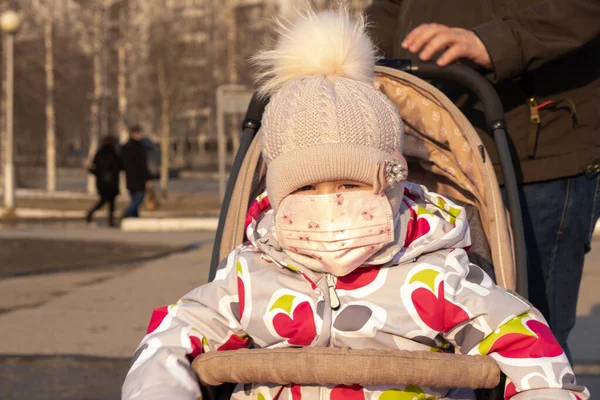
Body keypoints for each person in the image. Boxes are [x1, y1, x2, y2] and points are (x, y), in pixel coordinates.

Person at [122, 10, 589, 400]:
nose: (329, 205)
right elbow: (173, 334)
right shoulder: (252, 274)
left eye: (349, 182)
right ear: (276, 195)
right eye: (305, 189)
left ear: (391, 186)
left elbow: (521, 336)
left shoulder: (435, 274)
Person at [364, 0, 600, 360]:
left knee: (532, 333)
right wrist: (367, 64)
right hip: (429, 147)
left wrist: (498, 42)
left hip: (534, 151)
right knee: (433, 331)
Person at [86, 135, 123, 227]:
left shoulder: (100, 153)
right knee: (110, 202)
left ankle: (91, 214)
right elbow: (119, 166)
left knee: (104, 200)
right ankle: (109, 220)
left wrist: (98, 174)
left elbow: (94, 168)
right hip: (112, 182)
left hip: (101, 182)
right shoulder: (114, 154)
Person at [121, 125, 151, 218]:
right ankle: (127, 212)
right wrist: (147, 178)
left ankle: (135, 217)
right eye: (138, 133)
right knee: (139, 198)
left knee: (134, 197)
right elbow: (142, 165)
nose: (139, 135)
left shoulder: (126, 147)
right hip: (138, 178)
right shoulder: (139, 147)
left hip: (130, 177)